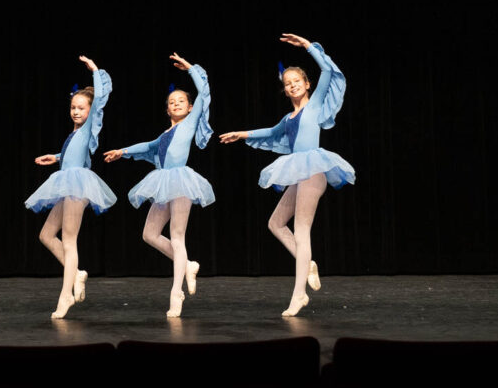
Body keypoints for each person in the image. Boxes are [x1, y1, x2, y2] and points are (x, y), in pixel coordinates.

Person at [220, 34, 355, 317]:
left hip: (314, 171)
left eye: (297, 81)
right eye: (287, 83)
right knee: (275, 223)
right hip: (298, 173)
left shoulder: (314, 105)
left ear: (307, 84)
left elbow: (328, 70)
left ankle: (299, 295)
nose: (292, 85)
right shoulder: (287, 119)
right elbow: (270, 132)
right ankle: (308, 264)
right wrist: (241, 134)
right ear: (284, 89)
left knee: (302, 230)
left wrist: (308, 46)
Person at [104, 53, 214, 318]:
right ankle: (187, 264)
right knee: (149, 234)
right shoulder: (165, 134)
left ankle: (176, 293)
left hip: (182, 181)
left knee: (177, 236)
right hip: (164, 181)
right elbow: (148, 146)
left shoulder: (189, 123)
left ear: (190, 108)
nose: (176, 104)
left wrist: (190, 68)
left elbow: (204, 90)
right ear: (167, 110)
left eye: (181, 101)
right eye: (172, 102)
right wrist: (122, 151)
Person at [26, 56, 117, 319]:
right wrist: (55, 157)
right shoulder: (74, 133)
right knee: (46, 235)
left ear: (90, 111)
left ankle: (66, 294)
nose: (76, 111)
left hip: (78, 185)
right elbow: (76, 154)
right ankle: (76, 273)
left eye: (81, 108)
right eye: (73, 107)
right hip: (67, 181)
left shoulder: (89, 127)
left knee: (68, 239)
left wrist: (95, 70)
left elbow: (101, 98)